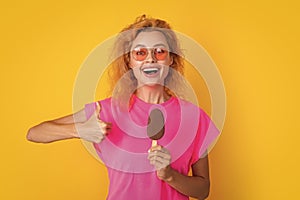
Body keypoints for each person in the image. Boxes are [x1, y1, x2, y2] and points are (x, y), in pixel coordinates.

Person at [27, 15, 219, 200]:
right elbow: (35, 133)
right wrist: (80, 129)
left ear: (171, 59)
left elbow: (203, 190)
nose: (150, 59)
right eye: (140, 53)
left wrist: (171, 176)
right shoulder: (106, 111)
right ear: (129, 61)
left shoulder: (194, 117)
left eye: (159, 51)